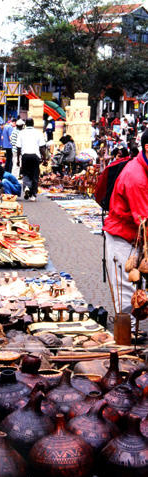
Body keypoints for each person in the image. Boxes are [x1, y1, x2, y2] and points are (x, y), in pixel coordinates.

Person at [103, 131, 148, 332]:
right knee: (126, 292)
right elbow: (144, 221)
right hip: (123, 238)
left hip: (135, 238)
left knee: (134, 289)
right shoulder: (136, 176)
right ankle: (127, 339)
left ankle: (132, 333)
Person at [16, 117, 46, 201]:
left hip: (25, 156)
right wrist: (44, 158)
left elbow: (18, 147)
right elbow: (42, 147)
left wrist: (18, 159)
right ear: (33, 124)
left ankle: (26, 187)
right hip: (35, 156)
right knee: (35, 175)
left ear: (25, 124)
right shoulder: (38, 133)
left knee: (25, 173)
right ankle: (33, 195)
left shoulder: (21, 133)